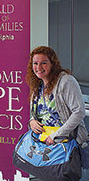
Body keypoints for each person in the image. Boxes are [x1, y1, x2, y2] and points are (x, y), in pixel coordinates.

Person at [25, 46, 89, 180]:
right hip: (45, 145)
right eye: (35, 63)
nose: (39, 67)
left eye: (44, 63)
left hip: (65, 144)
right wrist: (31, 121)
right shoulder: (38, 84)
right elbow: (39, 111)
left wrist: (55, 136)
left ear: (53, 64)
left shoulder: (66, 81)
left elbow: (79, 112)